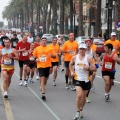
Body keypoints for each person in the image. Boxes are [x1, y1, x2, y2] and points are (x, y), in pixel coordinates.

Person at [69, 43, 96, 119]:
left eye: (83, 49)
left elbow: (94, 68)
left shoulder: (88, 58)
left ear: (85, 50)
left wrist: (88, 69)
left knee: (84, 98)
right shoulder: (74, 57)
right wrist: (71, 71)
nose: (82, 50)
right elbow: (70, 64)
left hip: (86, 80)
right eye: (80, 49)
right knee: (79, 95)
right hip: (77, 79)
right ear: (79, 49)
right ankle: (77, 112)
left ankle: (81, 109)